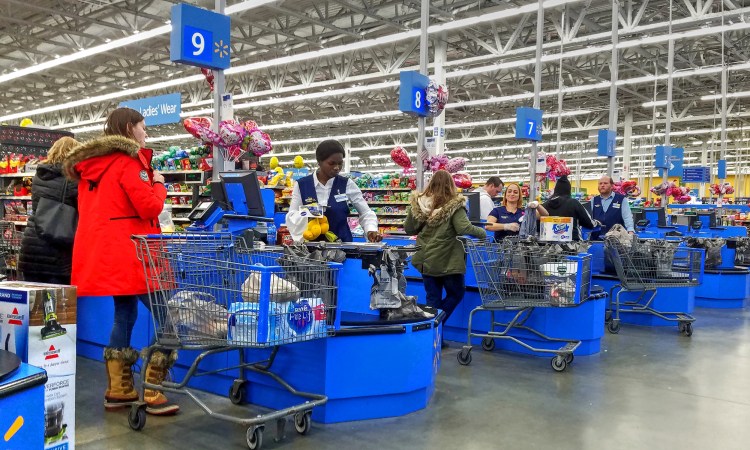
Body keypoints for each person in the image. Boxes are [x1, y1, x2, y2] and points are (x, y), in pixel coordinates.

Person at [63, 107, 178, 416]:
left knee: (124, 314)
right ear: (130, 128)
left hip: (111, 255)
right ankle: (154, 389)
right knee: (170, 313)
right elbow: (149, 207)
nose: (146, 133)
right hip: (134, 255)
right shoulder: (128, 163)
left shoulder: (92, 167)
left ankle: (118, 389)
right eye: (143, 127)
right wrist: (158, 182)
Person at [404, 170, 486, 346]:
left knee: (432, 299)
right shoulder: (454, 205)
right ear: (451, 185)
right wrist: (483, 233)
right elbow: (464, 228)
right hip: (448, 259)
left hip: (426, 258)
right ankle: (436, 326)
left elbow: (409, 229)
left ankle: (433, 337)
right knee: (456, 293)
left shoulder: (419, 203)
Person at [287, 139, 381, 242]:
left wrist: (371, 230)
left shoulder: (347, 184)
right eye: (331, 163)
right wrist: (313, 212)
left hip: (343, 248)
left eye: (340, 163)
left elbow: (366, 212)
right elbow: (292, 216)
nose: (337, 167)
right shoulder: (301, 185)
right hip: (310, 251)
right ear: (319, 162)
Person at [18, 137, 80, 284]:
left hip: (32, 244)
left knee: (34, 302)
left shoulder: (39, 175)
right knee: (58, 303)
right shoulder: (73, 179)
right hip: (57, 249)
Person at [542, 175, 595, 241]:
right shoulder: (574, 203)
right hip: (572, 244)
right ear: (568, 190)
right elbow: (589, 223)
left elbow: (539, 226)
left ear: (556, 189)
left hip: (549, 245)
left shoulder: (544, 205)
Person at [590, 175, 634, 240]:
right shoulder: (593, 200)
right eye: (600, 183)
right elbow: (589, 218)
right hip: (596, 239)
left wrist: (630, 232)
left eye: (605, 183)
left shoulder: (621, 199)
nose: (602, 185)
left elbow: (627, 217)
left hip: (616, 240)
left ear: (612, 186)